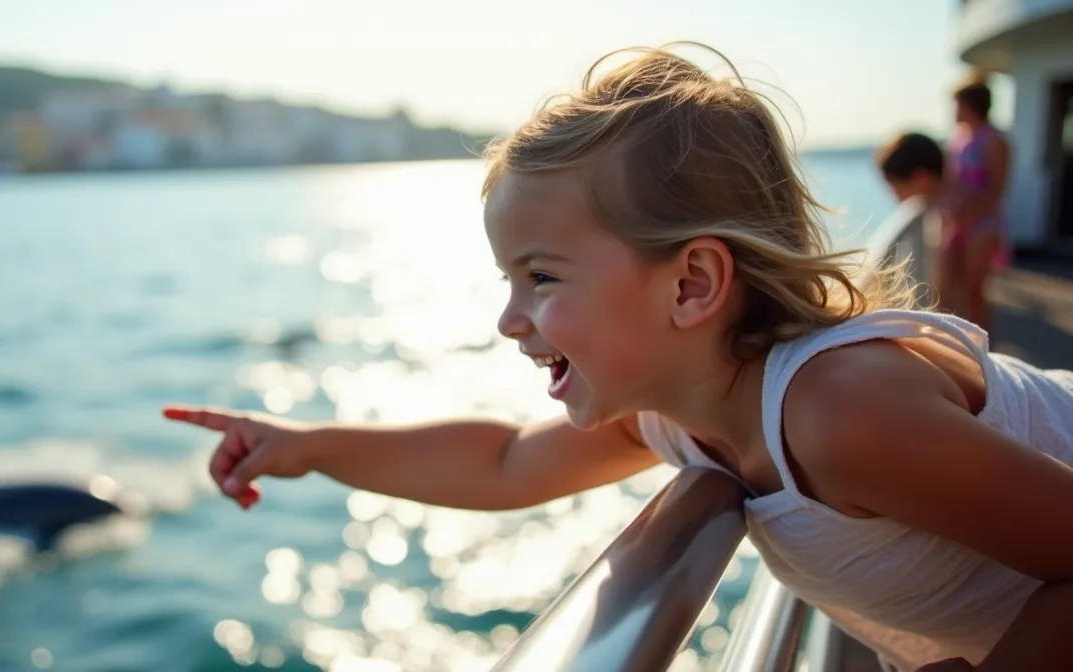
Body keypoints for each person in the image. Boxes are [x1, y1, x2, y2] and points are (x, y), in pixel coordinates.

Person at [163, 43, 1073, 672]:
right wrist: (310, 445)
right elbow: (505, 462)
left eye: (541, 278)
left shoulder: (837, 412)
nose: (510, 320)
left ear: (691, 286)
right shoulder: (687, 406)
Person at [940, 75, 1010, 333]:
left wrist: (966, 216)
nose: (954, 111)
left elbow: (996, 190)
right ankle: (957, 344)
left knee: (974, 290)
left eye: (958, 104)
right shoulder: (958, 139)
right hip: (955, 224)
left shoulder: (994, 141)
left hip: (982, 225)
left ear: (971, 105)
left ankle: (982, 351)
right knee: (947, 289)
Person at [875, 131, 948, 307]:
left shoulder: (949, 224)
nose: (895, 197)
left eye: (896, 187)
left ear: (921, 177)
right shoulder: (936, 211)